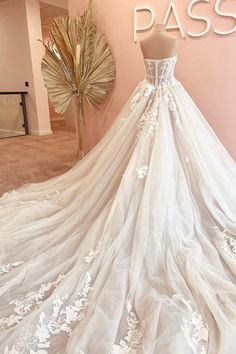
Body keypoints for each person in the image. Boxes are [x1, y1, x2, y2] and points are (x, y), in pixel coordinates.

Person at [0, 23, 236, 354]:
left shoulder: (159, 38)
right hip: (159, 99)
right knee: (131, 166)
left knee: (173, 165)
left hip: (165, 101)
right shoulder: (160, 39)